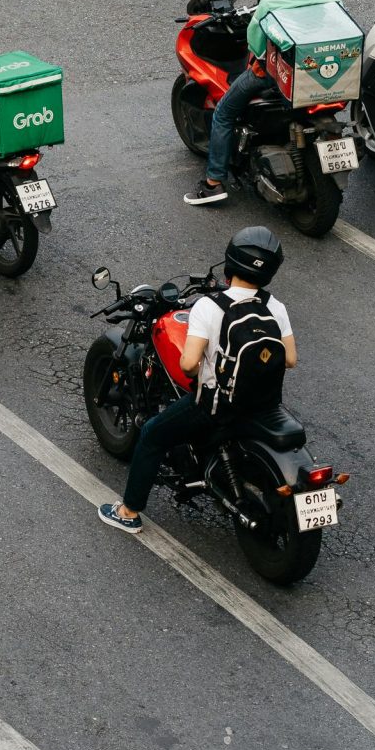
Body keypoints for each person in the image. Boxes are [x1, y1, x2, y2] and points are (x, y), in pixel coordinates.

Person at [97, 228, 295, 535]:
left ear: (230, 264)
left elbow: (189, 365)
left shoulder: (210, 307)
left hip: (217, 406)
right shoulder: (275, 307)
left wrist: (204, 365)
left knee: (151, 434)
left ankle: (128, 512)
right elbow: (290, 359)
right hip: (263, 404)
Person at [187, 0, 343, 207]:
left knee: (223, 112)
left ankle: (213, 183)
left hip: (274, 79)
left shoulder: (271, 5)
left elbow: (256, 46)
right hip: (322, 78)